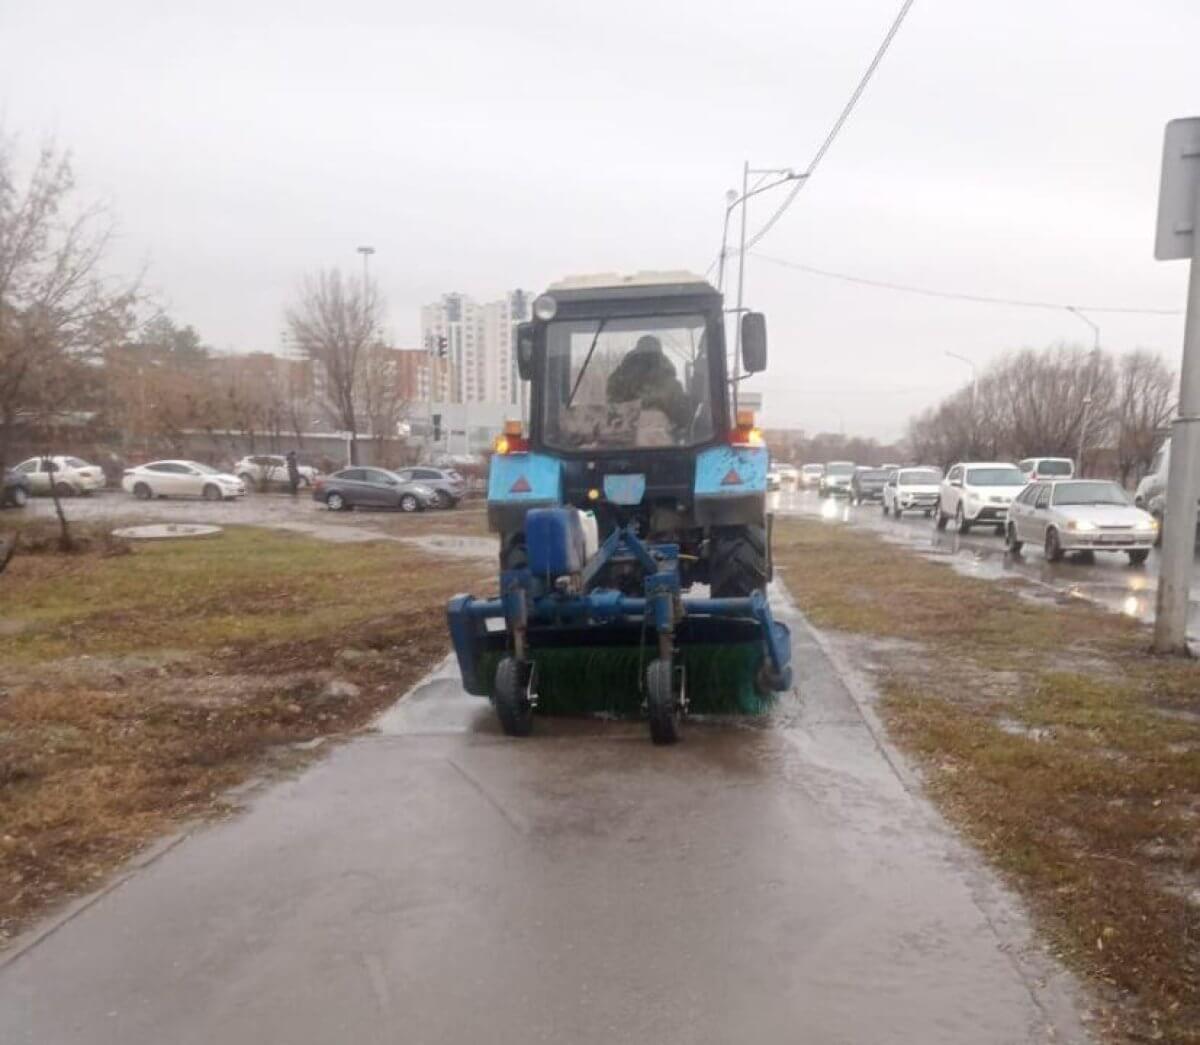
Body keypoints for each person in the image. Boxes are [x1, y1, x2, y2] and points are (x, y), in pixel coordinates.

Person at [605, 335, 690, 431]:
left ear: (659, 358)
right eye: (642, 357)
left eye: (652, 357)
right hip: (623, 440)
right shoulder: (622, 382)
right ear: (636, 358)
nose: (647, 362)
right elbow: (610, 409)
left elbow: (681, 423)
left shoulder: (672, 386)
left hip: (662, 442)